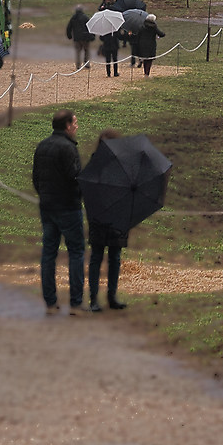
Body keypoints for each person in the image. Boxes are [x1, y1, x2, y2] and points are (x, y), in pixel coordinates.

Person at [33, 109, 87, 315]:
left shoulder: (42, 146)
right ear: (66, 126)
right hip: (68, 207)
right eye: (74, 123)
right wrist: (78, 195)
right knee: (76, 252)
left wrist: (45, 195)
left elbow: (36, 177)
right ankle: (75, 303)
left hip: (47, 206)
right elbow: (75, 178)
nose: (76, 126)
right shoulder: (69, 149)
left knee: (48, 253)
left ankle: (50, 303)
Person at [83, 126, 131, 312]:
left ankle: (107, 297)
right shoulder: (101, 164)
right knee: (104, 257)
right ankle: (98, 298)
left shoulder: (119, 164)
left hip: (110, 216)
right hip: (107, 216)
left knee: (110, 257)